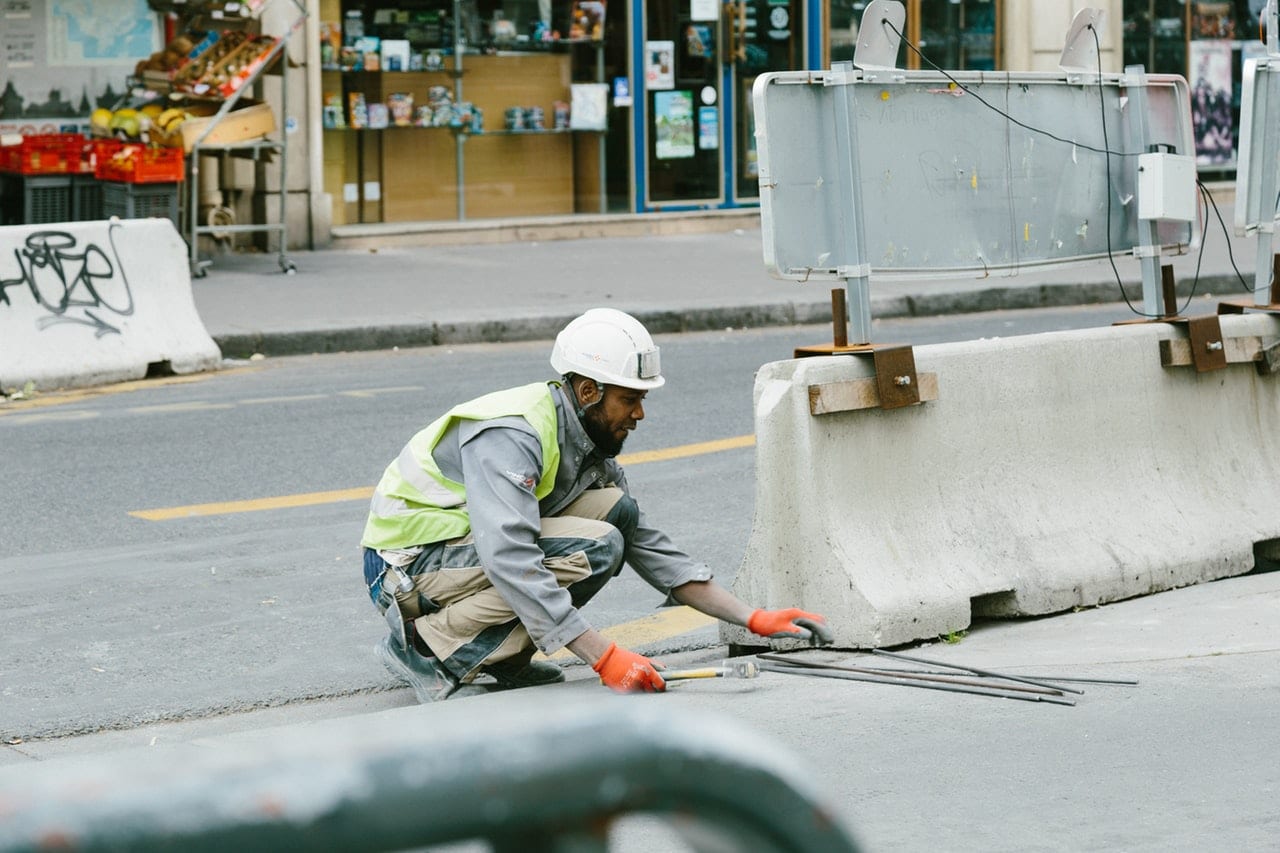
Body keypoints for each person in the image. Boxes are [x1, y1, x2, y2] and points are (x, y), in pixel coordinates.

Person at [360, 308, 832, 701]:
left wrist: (751, 618)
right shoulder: (513, 433)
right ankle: (426, 651)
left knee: (616, 515)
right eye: (630, 399)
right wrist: (603, 657)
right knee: (597, 546)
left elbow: (649, 545)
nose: (640, 414)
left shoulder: (587, 441)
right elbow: (509, 556)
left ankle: (502, 658)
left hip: (455, 557)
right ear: (589, 392)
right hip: (405, 568)